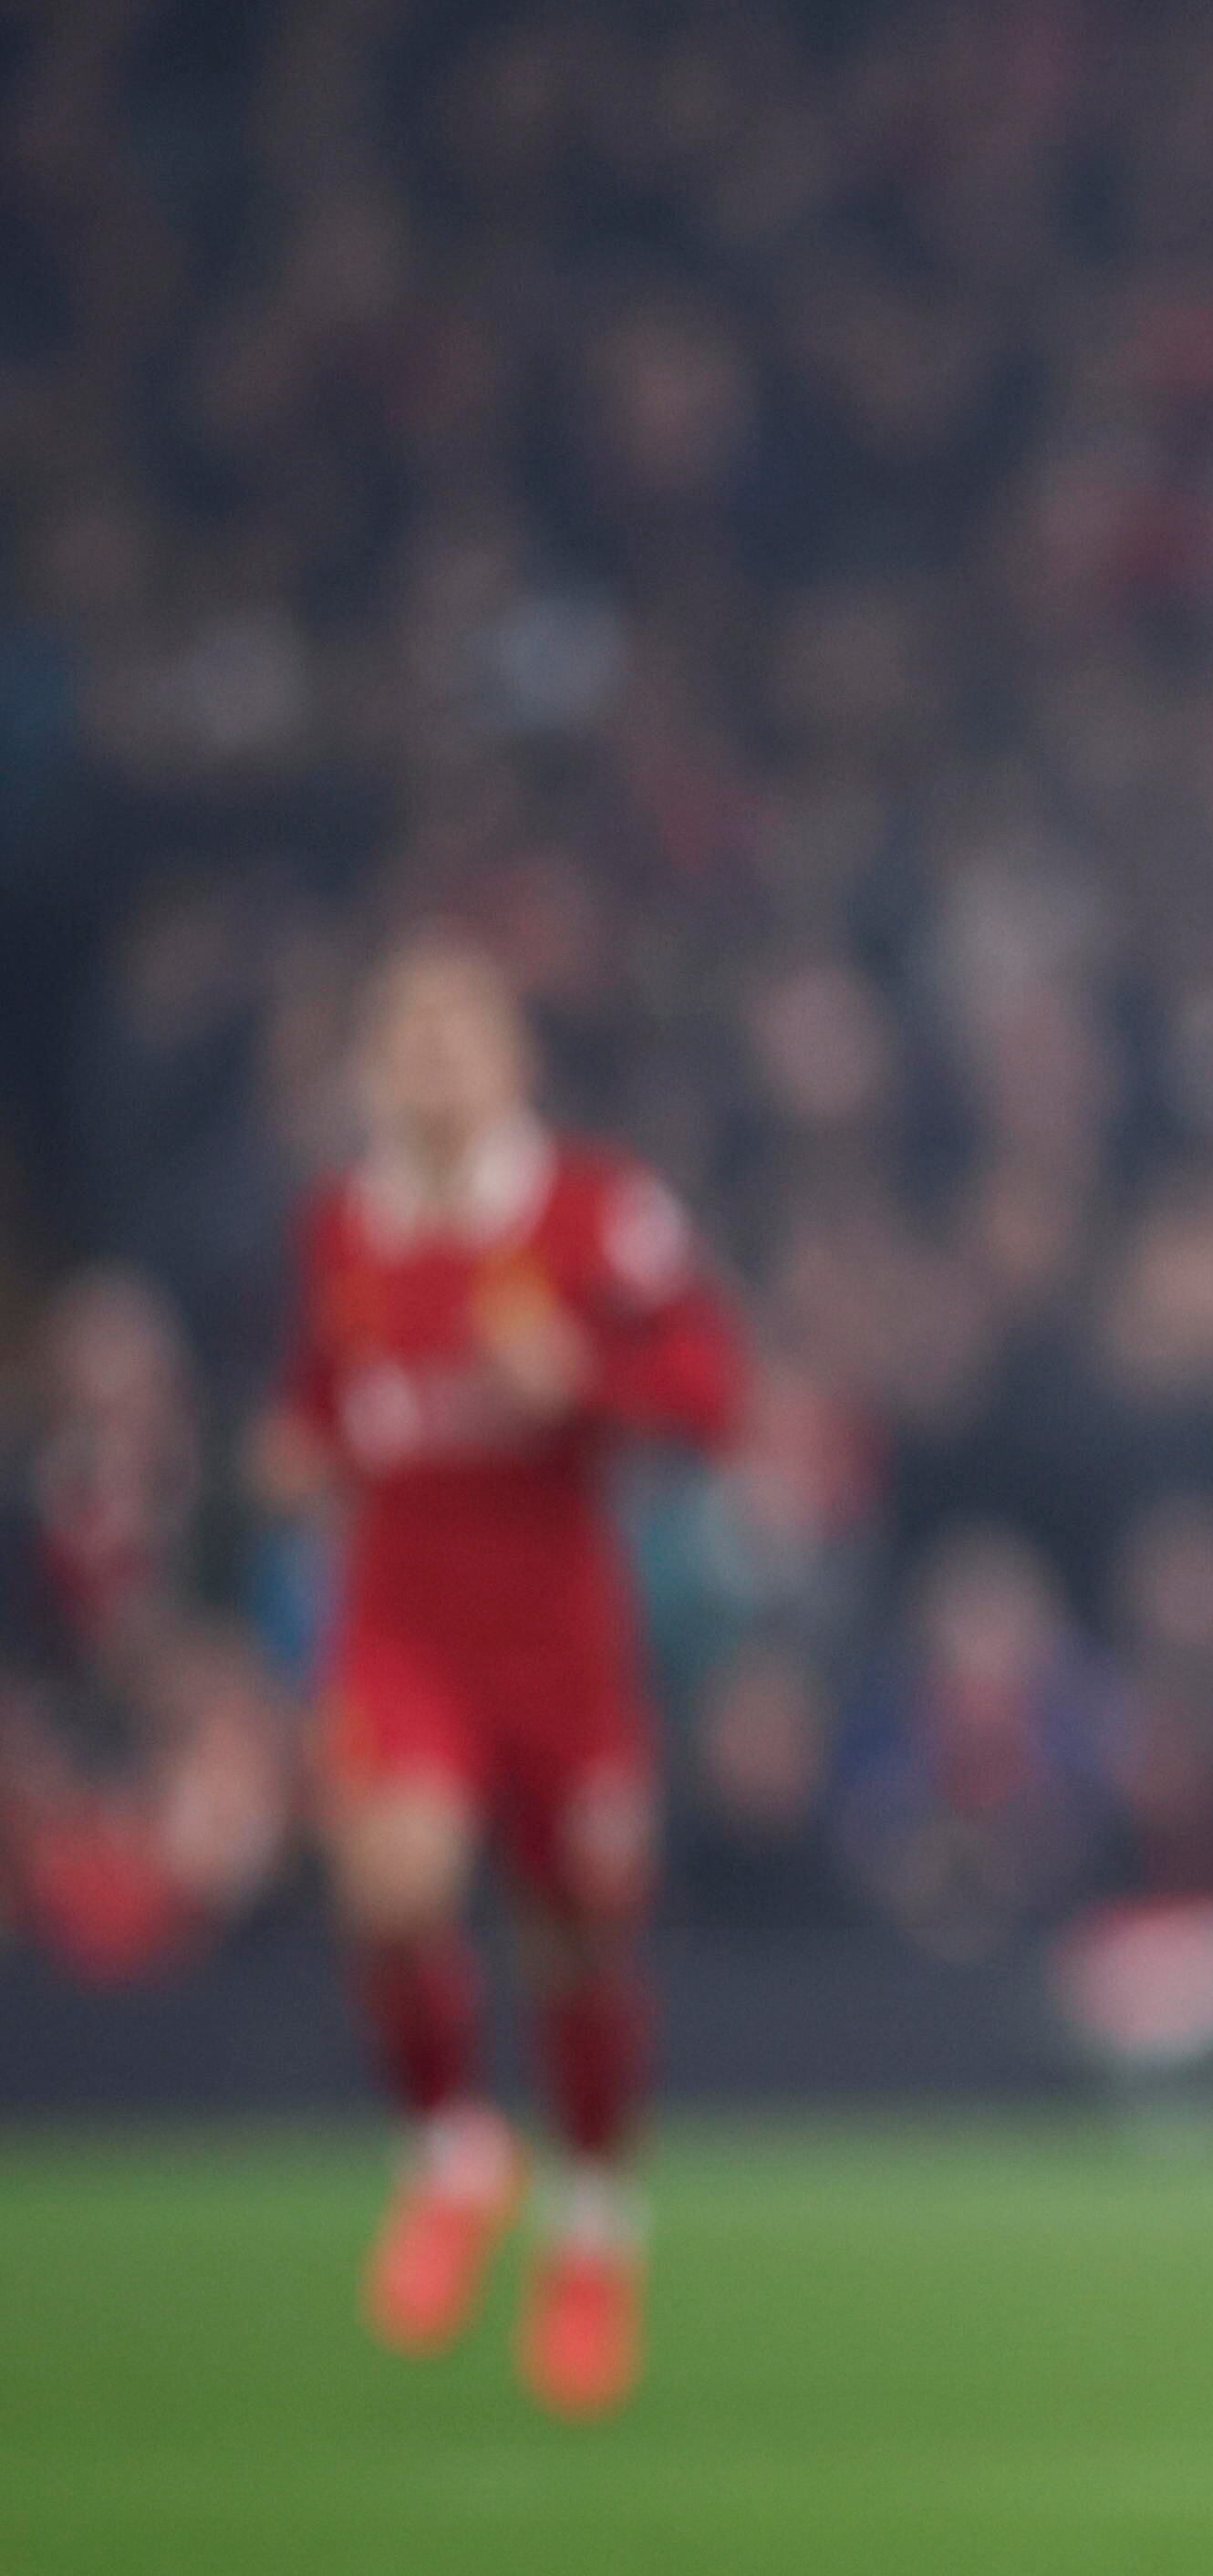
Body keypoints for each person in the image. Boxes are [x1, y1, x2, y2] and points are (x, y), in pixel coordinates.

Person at [259, 935, 742, 2420]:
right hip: (403, 1627)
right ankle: (456, 2151)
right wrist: (299, 1446)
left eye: (454, 1031)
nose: (429, 1058)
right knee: (391, 1885)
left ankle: (593, 2233)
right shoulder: (343, 1225)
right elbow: (328, 1394)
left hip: (559, 1643)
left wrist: (585, 1381)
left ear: (512, 1058)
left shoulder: (596, 1211)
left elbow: (712, 1389)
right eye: (403, 1032)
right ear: (371, 1066)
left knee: (577, 1942)